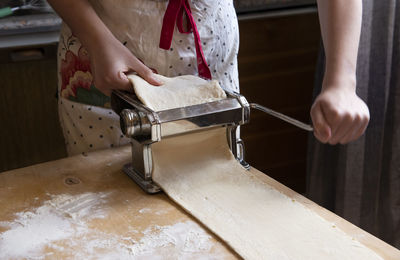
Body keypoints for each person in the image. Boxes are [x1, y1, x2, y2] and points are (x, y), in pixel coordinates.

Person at [47, 0, 369, 156]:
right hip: (102, 58)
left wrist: (342, 82)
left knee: (211, 187)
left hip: (210, 56)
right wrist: (98, 42)